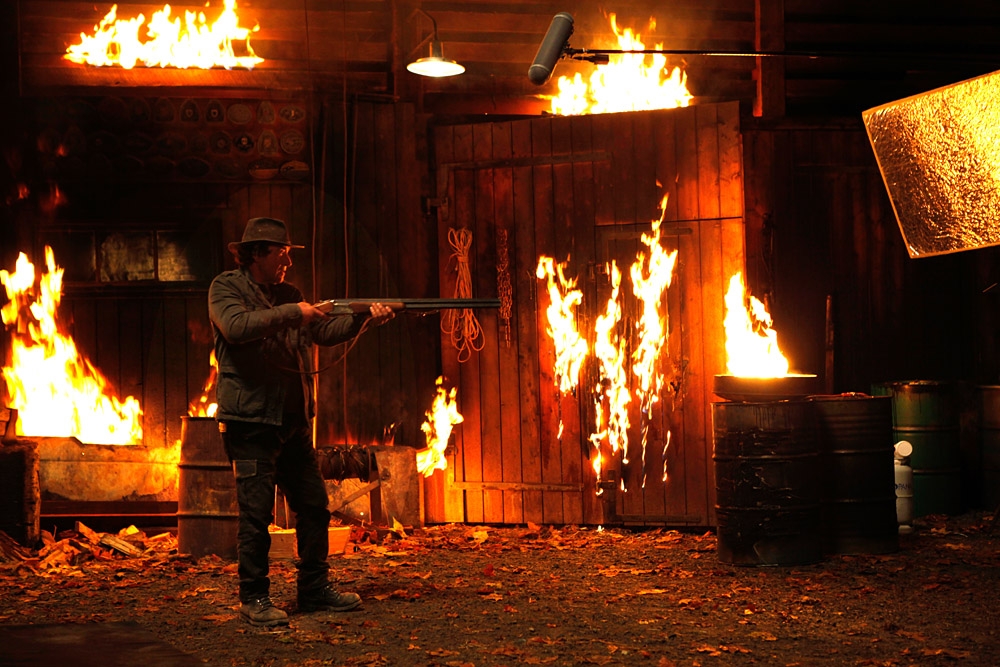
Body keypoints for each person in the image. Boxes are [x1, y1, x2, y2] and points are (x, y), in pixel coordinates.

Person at [208, 216, 394, 627]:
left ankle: (313, 590)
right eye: (282, 252)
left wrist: (363, 318)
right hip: (251, 422)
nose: (288, 261)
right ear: (257, 253)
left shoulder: (289, 294)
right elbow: (236, 328)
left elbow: (323, 332)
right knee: (256, 515)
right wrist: (295, 312)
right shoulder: (226, 288)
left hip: (292, 422)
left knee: (313, 507)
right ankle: (254, 598)